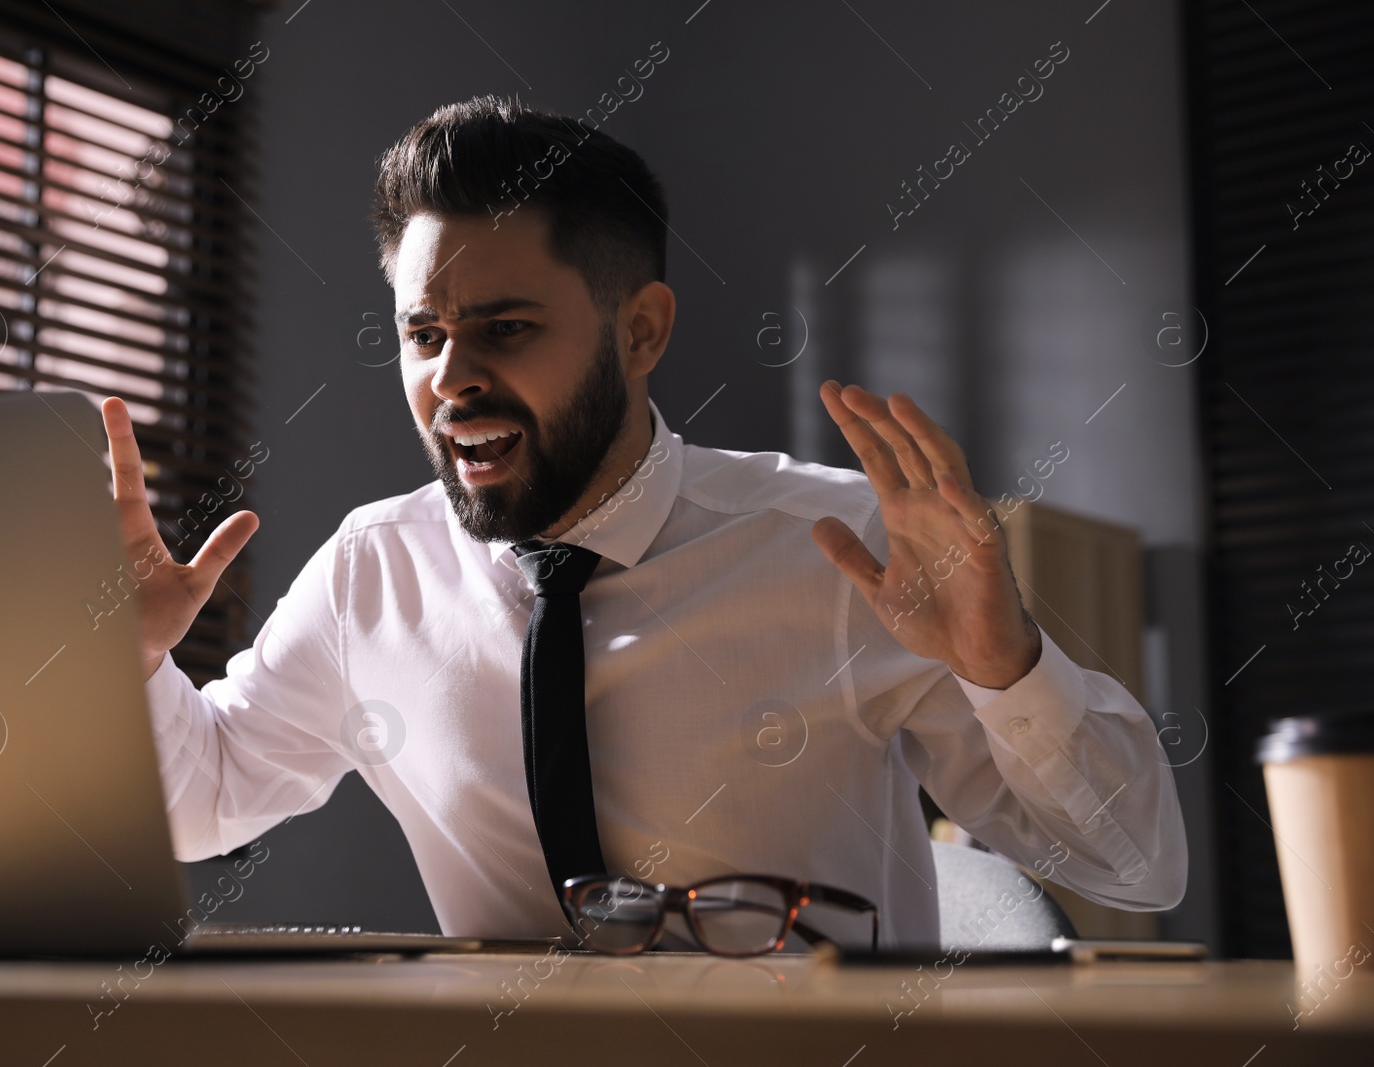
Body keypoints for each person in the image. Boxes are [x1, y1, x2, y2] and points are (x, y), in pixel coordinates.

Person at [101, 95, 1185, 949]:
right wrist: (140, 658)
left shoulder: (843, 551)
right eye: (421, 334)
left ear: (642, 331)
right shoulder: (371, 574)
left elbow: (1137, 865)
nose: (451, 378)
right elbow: (205, 799)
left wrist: (1006, 668)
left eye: (505, 328)